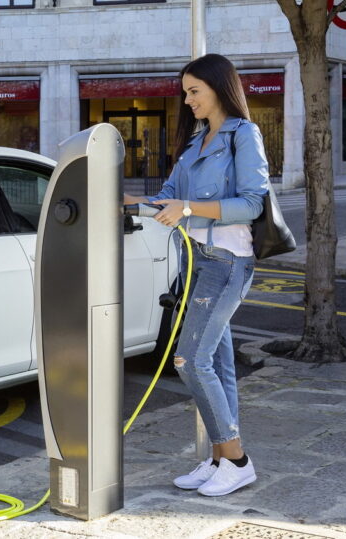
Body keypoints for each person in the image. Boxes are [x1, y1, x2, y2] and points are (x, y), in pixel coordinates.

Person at [124, 53, 268, 497]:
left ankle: (238, 459)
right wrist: (129, 202)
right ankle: (219, 459)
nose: (187, 101)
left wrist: (188, 209)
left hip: (227, 261)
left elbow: (251, 203)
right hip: (196, 261)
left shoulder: (243, 135)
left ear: (219, 88)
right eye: (185, 93)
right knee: (219, 364)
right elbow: (168, 195)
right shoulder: (195, 143)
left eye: (194, 92)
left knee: (189, 360)